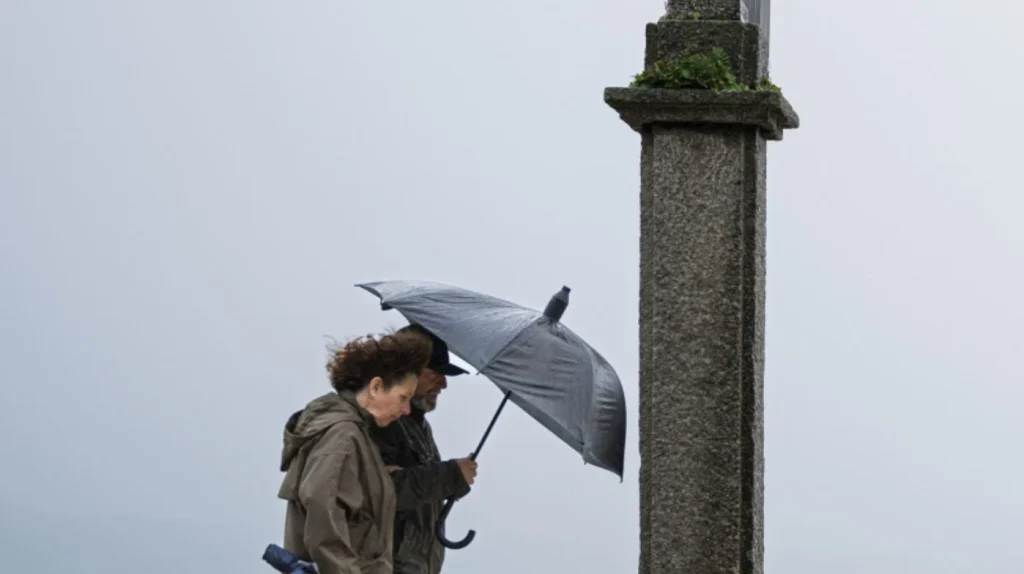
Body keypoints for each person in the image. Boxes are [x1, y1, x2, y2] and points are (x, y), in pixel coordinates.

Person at [277, 330, 432, 574]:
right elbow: (325, 526)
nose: (405, 410)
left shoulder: (356, 436)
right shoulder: (344, 436)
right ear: (376, 387)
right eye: (403, 397)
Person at [371, 324, 479, 574]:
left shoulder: (418, 426)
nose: (443, 384)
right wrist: (451, 476)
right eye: (436, 372)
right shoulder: (379, 418)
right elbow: (378, 491)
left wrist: (451, 479)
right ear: (406, 370)